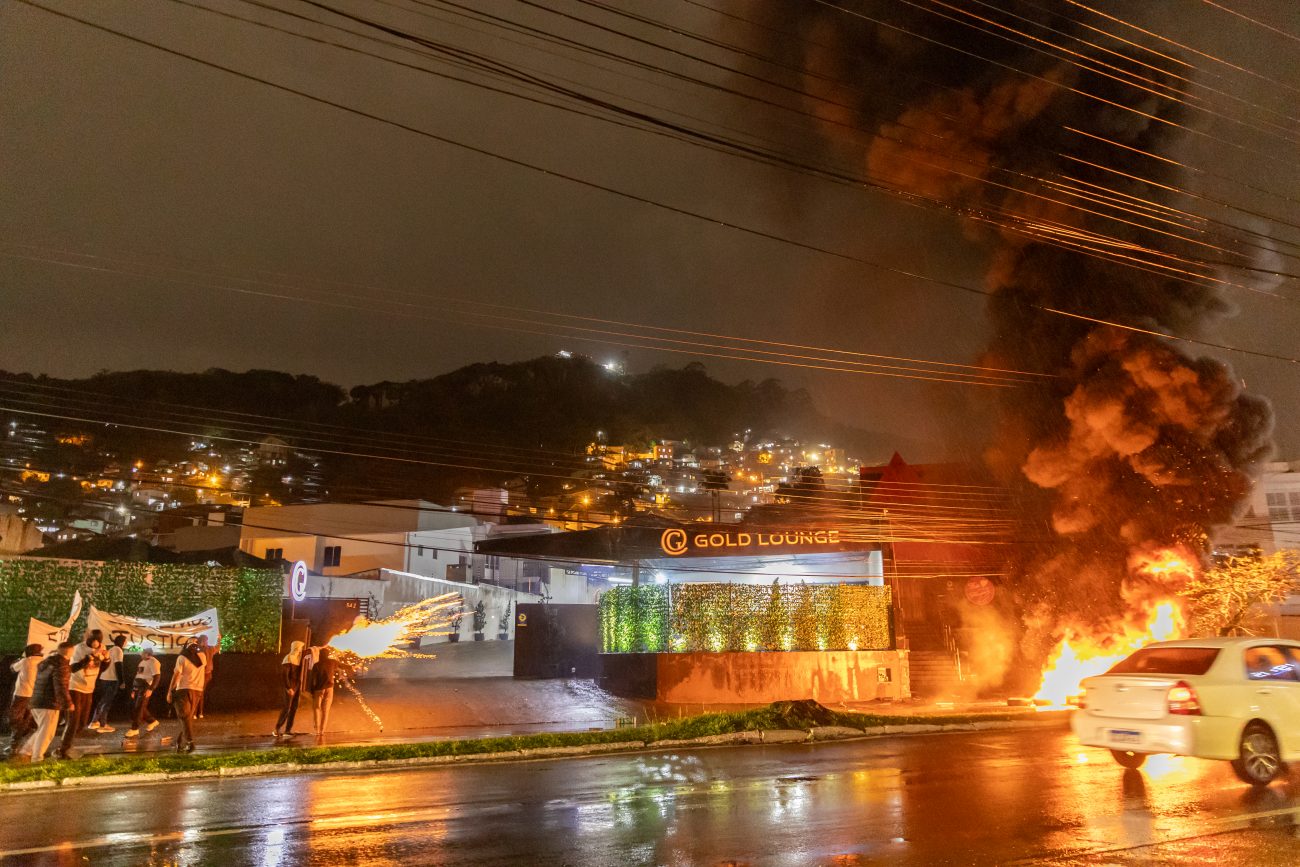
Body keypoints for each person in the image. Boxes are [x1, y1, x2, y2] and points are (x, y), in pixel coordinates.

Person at [61, 630, 108, 757]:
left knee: (83, 722)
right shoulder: (78, 649)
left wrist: (107, 659)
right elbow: (73, 668)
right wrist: (90, 657)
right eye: (94, 642)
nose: (96, 645)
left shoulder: (101, 647)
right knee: (73, 719)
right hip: (75, 686)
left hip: (89, 687)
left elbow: (102, 668)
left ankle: (69, 743)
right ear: (89, 640)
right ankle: (63, 749)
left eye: (98, 643)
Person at [28, 641, 74, 762]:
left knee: (41, 730)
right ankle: (37, 758)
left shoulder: (47, 662)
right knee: (46, 733)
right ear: (69, 651)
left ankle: (25, 752)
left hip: (36, 701)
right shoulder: (61, 665)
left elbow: (69, 670)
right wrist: (67, 703)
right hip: (49, 703)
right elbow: (60, 685)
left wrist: (84, 661)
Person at [167, 642, 205, 753]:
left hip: (183, 689)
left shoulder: (182, 657)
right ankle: (179, 741)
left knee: (184, 717)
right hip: (198, 690)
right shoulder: (202, 657)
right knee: (186, 718)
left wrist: (170, 691)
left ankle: (190, 742)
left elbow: (176, 675)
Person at [6, 643, 43, 757]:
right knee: (27, 719)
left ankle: (15, 743)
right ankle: (21, 740)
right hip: (36, 696)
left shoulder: (27, 661)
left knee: (14, 718)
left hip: (22, 694)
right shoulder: (44, 661)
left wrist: (21, 658)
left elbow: (12, 668)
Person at [90, 634, 127, 732]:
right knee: (106, 702)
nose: (126, 643)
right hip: (111, 679)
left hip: (103, 678)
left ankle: (96, 722)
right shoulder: (118, 650)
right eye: (125, 641)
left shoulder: (111, 650)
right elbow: (118, 665)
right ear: (122, 642)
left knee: (103, 701)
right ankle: (100, 724)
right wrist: (122, 681)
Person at [124, 646, 162, 738]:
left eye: (142, 652)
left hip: (146, 687)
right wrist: (133, 689)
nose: (140, 654)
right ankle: (152, 721)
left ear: (147, 654)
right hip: (138, 686)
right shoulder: (142, 662)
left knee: (139, 707)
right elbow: (138, 675)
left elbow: (157, 676)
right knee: (139, 706)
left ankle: (135, 729)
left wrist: (151, 689)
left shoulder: (154, 662)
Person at [308, 645, 343, 738]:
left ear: (320, 655)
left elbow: (312, 680)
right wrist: (352, 667)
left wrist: (311, 691)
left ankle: (317, 730)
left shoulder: (316, 665)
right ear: (327, 655)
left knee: (316, 708)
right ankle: (322, 731)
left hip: (319, 689)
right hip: (330, 688)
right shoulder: (332, 662)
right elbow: (342, 666)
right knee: (325, 710)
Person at [273, 640, 305, 738]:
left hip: (297, 685)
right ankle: (277, 729)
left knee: (294, 708)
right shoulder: (289, 658)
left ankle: (288, 730)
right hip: (290, 685)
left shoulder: (299, 659)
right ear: (296, 648)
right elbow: (284, 675)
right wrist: (288, 687)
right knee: (287, 708)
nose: (300, 650)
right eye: (300, 648)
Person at [194, 634, 218, 719]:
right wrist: (219, 639)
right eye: (206, 641)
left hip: (204, 673)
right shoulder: (204, 649)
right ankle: (198, 712)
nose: (207, 642)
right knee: (200, 692)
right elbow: (217, 648)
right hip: (203, 673)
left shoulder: (200, 649)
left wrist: (219, 638)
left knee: (199, 692)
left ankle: (197, 712)